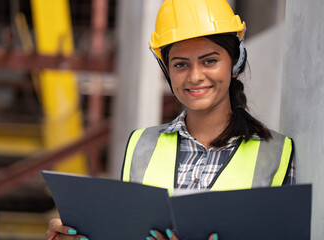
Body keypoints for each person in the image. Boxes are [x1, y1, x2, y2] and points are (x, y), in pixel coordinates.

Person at [46, 0, 294, 239]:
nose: (195, 76)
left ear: (235, 61)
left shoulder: (276, 154)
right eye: (180, 64)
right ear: (166, 71)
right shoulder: (141, 145)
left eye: (210, 61)